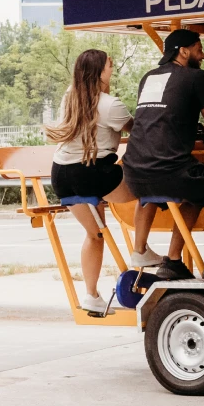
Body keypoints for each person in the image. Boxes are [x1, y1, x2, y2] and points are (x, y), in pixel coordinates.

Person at [122, 28, 204, 282]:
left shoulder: (148, 77)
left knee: (193, 187)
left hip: (134, 172)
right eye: (198, 49)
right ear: (183, 52)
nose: (203, 54)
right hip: (170, 171)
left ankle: (150, 254)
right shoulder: (195, 77)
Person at [46, 49, 136, 313]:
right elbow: (141, 130)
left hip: (61, 174)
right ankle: (142, 250)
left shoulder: (70, 96)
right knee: (148, 189)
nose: (113, 68)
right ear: (100, 72)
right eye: (110, 65)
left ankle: (91, 295)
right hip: (92, 172)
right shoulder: (110, 104)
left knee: (95, 233)